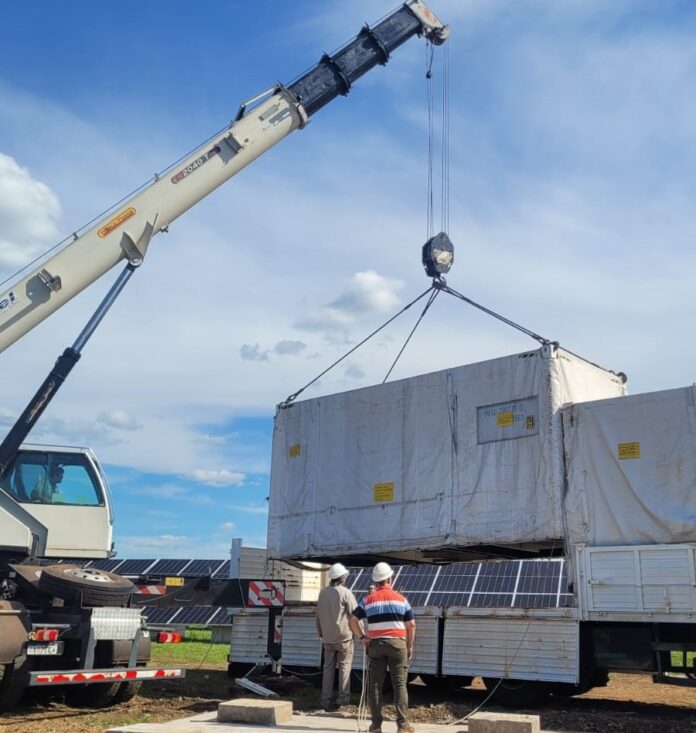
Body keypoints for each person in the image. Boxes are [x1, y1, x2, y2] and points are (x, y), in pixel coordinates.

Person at [349, 562, 416, 733]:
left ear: (376, 581)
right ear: (389, 578)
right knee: (400, 684)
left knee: (376, 686)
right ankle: (402, 726)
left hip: (376, 645)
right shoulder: (402, 600)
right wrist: (409, 646)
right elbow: (411, 625)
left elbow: (352, 620)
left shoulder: (368, 600)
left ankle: (376, 726)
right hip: (397, 644)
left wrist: (362, 637)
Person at [315, 562, 358, 711]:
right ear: (341, 578)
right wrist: (361, 634)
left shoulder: (322, 593)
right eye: (345, 575)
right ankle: (343, 701)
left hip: (327, 639)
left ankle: (325, 701)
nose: (346, 577)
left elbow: (318, 616)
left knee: (328, 669)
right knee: (345, 668)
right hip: (344, 639)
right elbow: (355, 615)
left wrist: (320, 632)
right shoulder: (346, 593)